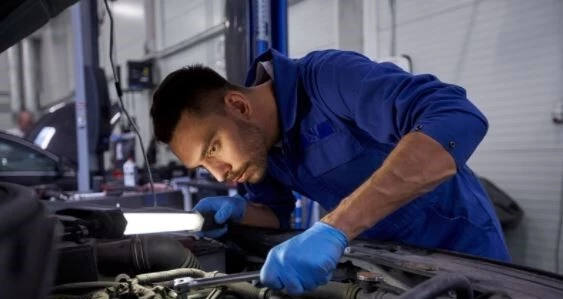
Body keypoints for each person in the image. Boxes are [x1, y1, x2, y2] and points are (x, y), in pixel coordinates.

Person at [150, 49, 510, 294]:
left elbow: (457, 118)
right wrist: (241, 212)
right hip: (382, 269)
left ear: (238, 105)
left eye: (213, 148)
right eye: (203, 165)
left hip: (465, 254)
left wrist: (335, 228)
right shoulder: (258, 150)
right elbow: (276, 214)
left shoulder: (329, 79)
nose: (218, 173)